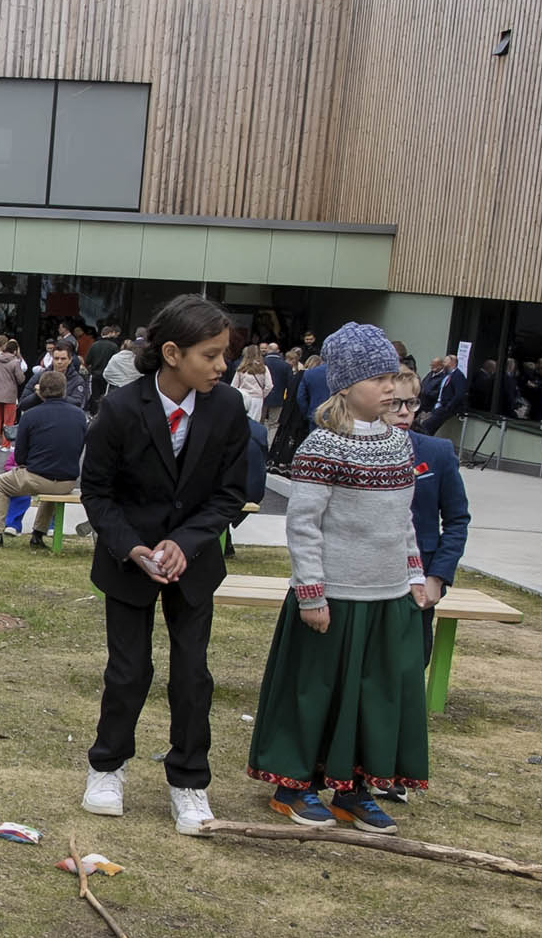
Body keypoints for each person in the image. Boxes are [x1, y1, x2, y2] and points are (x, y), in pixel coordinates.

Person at [246, 323, 435, 834]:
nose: (391, 389)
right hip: (335, 597)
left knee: (374, 696)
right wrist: (311, 593)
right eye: (378, 379)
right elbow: (303, 526)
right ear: (346, 385)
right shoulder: (322, 446)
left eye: (393, 378)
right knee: (317, 691)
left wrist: (414, 572)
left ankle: (352, 790)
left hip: (387, 597)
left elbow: (406, 520)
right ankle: (294, 786)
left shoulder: (400, 445)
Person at [78, 294, 251, 836]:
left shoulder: (227, 408)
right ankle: (107, 767)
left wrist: (188, 540)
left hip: (194, 562)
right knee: (128, 672)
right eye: (212, 355)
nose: (222, 366)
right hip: (129, 562)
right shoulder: (122, 408)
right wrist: (132, 546)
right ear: (172, 352)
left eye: (226, 355)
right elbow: (97, 492)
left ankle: (189, 780)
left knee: (193, 674)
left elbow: (232, 494)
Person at [392, 366, 471, 665]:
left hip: (419, 580)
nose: (404, 412)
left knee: (411, 662)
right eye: (394, 404)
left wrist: (438, 576)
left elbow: (457, 520)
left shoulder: (437, 452)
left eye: (411, 403)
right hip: (368, 577)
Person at [0, 368, 85, 549]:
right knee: (52, 490)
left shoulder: (31, 415)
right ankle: (38, 534)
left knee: (0, 484)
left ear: (40, 391)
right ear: (64, 390)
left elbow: (20, 455)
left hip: (37, 477)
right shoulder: (80, 416)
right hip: (67, 480)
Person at [19, 343, 92, 413]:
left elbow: (79, 404)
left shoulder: (77, 380)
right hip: (41, 418)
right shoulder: (40, 376)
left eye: (63, 359)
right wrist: (37, 395)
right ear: (52, 359)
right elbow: (22, 404)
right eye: (56, 358)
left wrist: (53, 395)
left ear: (70, 360)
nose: (59, 362)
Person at [0, 337, 27, 450]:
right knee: (9, 421)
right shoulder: (15, 362)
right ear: (14, 351)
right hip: (9, 395)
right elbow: (20, 379)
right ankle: (6, 445)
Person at [416, 354, 467, 434]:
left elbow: (459, 394)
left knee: (427, 425)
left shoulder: (458, 376)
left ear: (452, 362)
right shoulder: (447, 375)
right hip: (437, 405)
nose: (443, 363)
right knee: (425, 425)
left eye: (446, 361)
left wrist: (448, 406)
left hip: (445, 406)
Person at [85, 323, 122, 406]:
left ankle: (93, 414)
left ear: (102, 333)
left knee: (95, 396)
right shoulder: (114, 346)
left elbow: (87, 361)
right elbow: (117, 362)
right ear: (110, 334)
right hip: (108, 376)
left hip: (95, 375)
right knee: (105, 396)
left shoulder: (94, 345)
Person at [232, 345, 272, 422]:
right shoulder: (263, 368)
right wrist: (262, 394)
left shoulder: (241, 368)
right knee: (255, 421)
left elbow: (234, 386)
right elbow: (269, 385)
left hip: (243, 397)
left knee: (242, 421)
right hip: (257, 398)